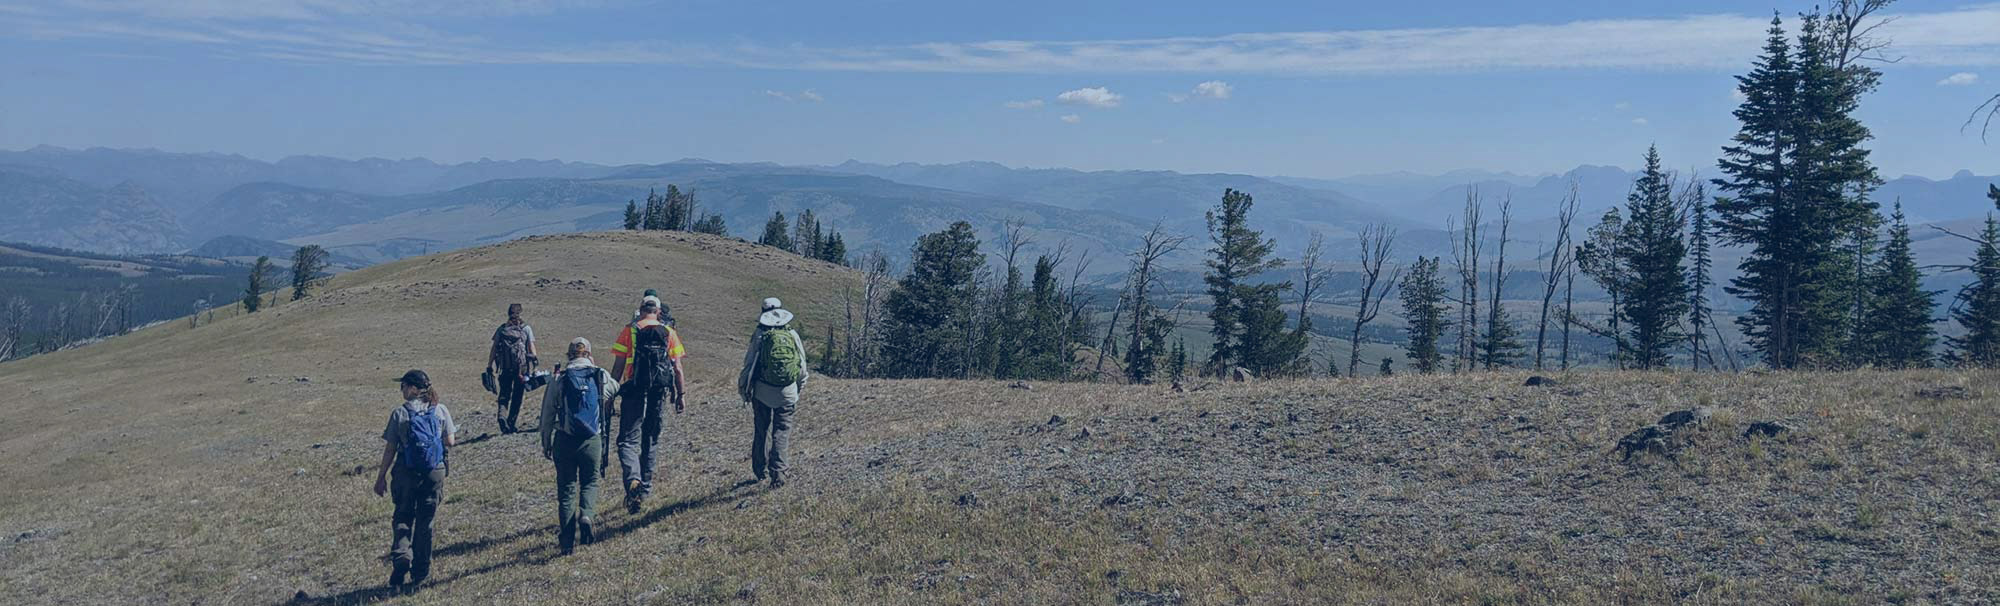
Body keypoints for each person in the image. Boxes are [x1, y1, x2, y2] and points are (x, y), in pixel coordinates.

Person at [373, 370, 457, 591]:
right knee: (425, 522)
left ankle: (402, 555)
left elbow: (390, 448)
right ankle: (420, 572)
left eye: (403, 386)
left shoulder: (400, 413)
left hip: (406, 472)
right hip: (434, 472)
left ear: (412, 389)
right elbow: (450, 441)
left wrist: (381, 477)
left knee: (402, 515)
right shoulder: (440, 410)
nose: (401, 390)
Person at [539, 337, 618, 555]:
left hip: (564, 439)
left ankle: (566, 542)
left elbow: (547, 413)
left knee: (566, 489)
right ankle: (587, 515)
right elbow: (615, 388)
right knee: (590, 482)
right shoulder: (599, 375)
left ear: (569, 355)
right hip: (592, 440)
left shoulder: (560, 378)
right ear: (589, 354)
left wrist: (546, 440)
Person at [608, 299, 686, 513]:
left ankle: (633, 480)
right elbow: (677, 367)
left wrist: (611, 395)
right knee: (650, 438)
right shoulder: (669, 332)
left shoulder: (629, 330)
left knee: (626, 441)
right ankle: (645, 489)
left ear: (641, 310)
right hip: (659, 392)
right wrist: (681, 394)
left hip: (633, 389)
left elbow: (618, 366)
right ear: (658, 311)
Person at [738, 297, 807, 488]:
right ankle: (779, 473)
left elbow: (749, 365)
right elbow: (802, 366)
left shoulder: (760, 334)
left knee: (762, 430)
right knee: (781, 431)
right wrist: (797, 389)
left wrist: (744, 389)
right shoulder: (792, 334)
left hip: (762, 392)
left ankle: (760, 470)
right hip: (788, 392)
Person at [487, 303, 539, 434]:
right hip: (521, 370)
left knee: (504, 394)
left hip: (505, 368)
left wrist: (489, 365)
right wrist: (534, 362)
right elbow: (531, 348)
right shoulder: (526, 329)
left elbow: (494, 349)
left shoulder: (502, 329)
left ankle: (501, 416)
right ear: (520, 313)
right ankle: (511, 422)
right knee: (517, 396)